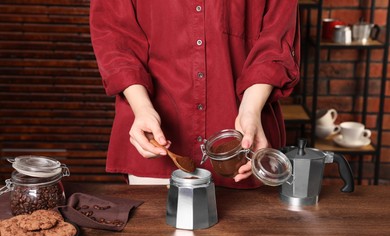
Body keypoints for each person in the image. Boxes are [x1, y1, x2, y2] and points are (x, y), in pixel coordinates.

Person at [89, 0, 300, 188]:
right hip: (154, 145)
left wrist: (250, 110)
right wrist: (142, 108)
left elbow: (275, 41)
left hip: (243, 147)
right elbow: (115, 38)